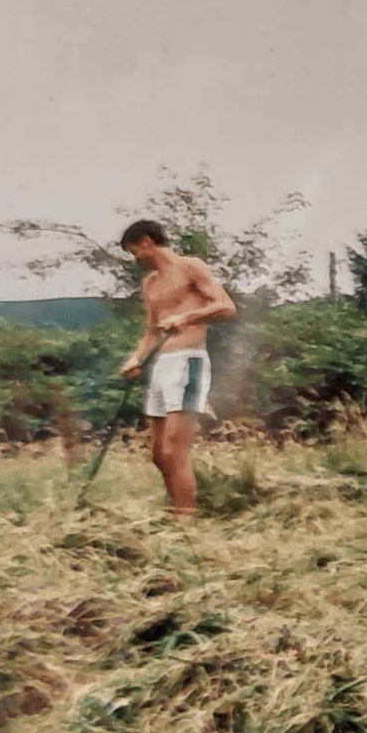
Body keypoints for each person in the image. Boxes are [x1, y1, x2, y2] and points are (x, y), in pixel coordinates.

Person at [117, 220, 236, 517]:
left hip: (188, 360)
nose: (136, 259)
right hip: (161, 365)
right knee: (158, 455)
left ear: (147, 242)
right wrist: (137, 359)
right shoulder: (151, 283)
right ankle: (176, 511)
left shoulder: (190, 267)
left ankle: (186, 521)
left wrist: (187, 317)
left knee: (174, 449)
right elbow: (151, 331)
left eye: (135, 252)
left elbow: (225, 306)